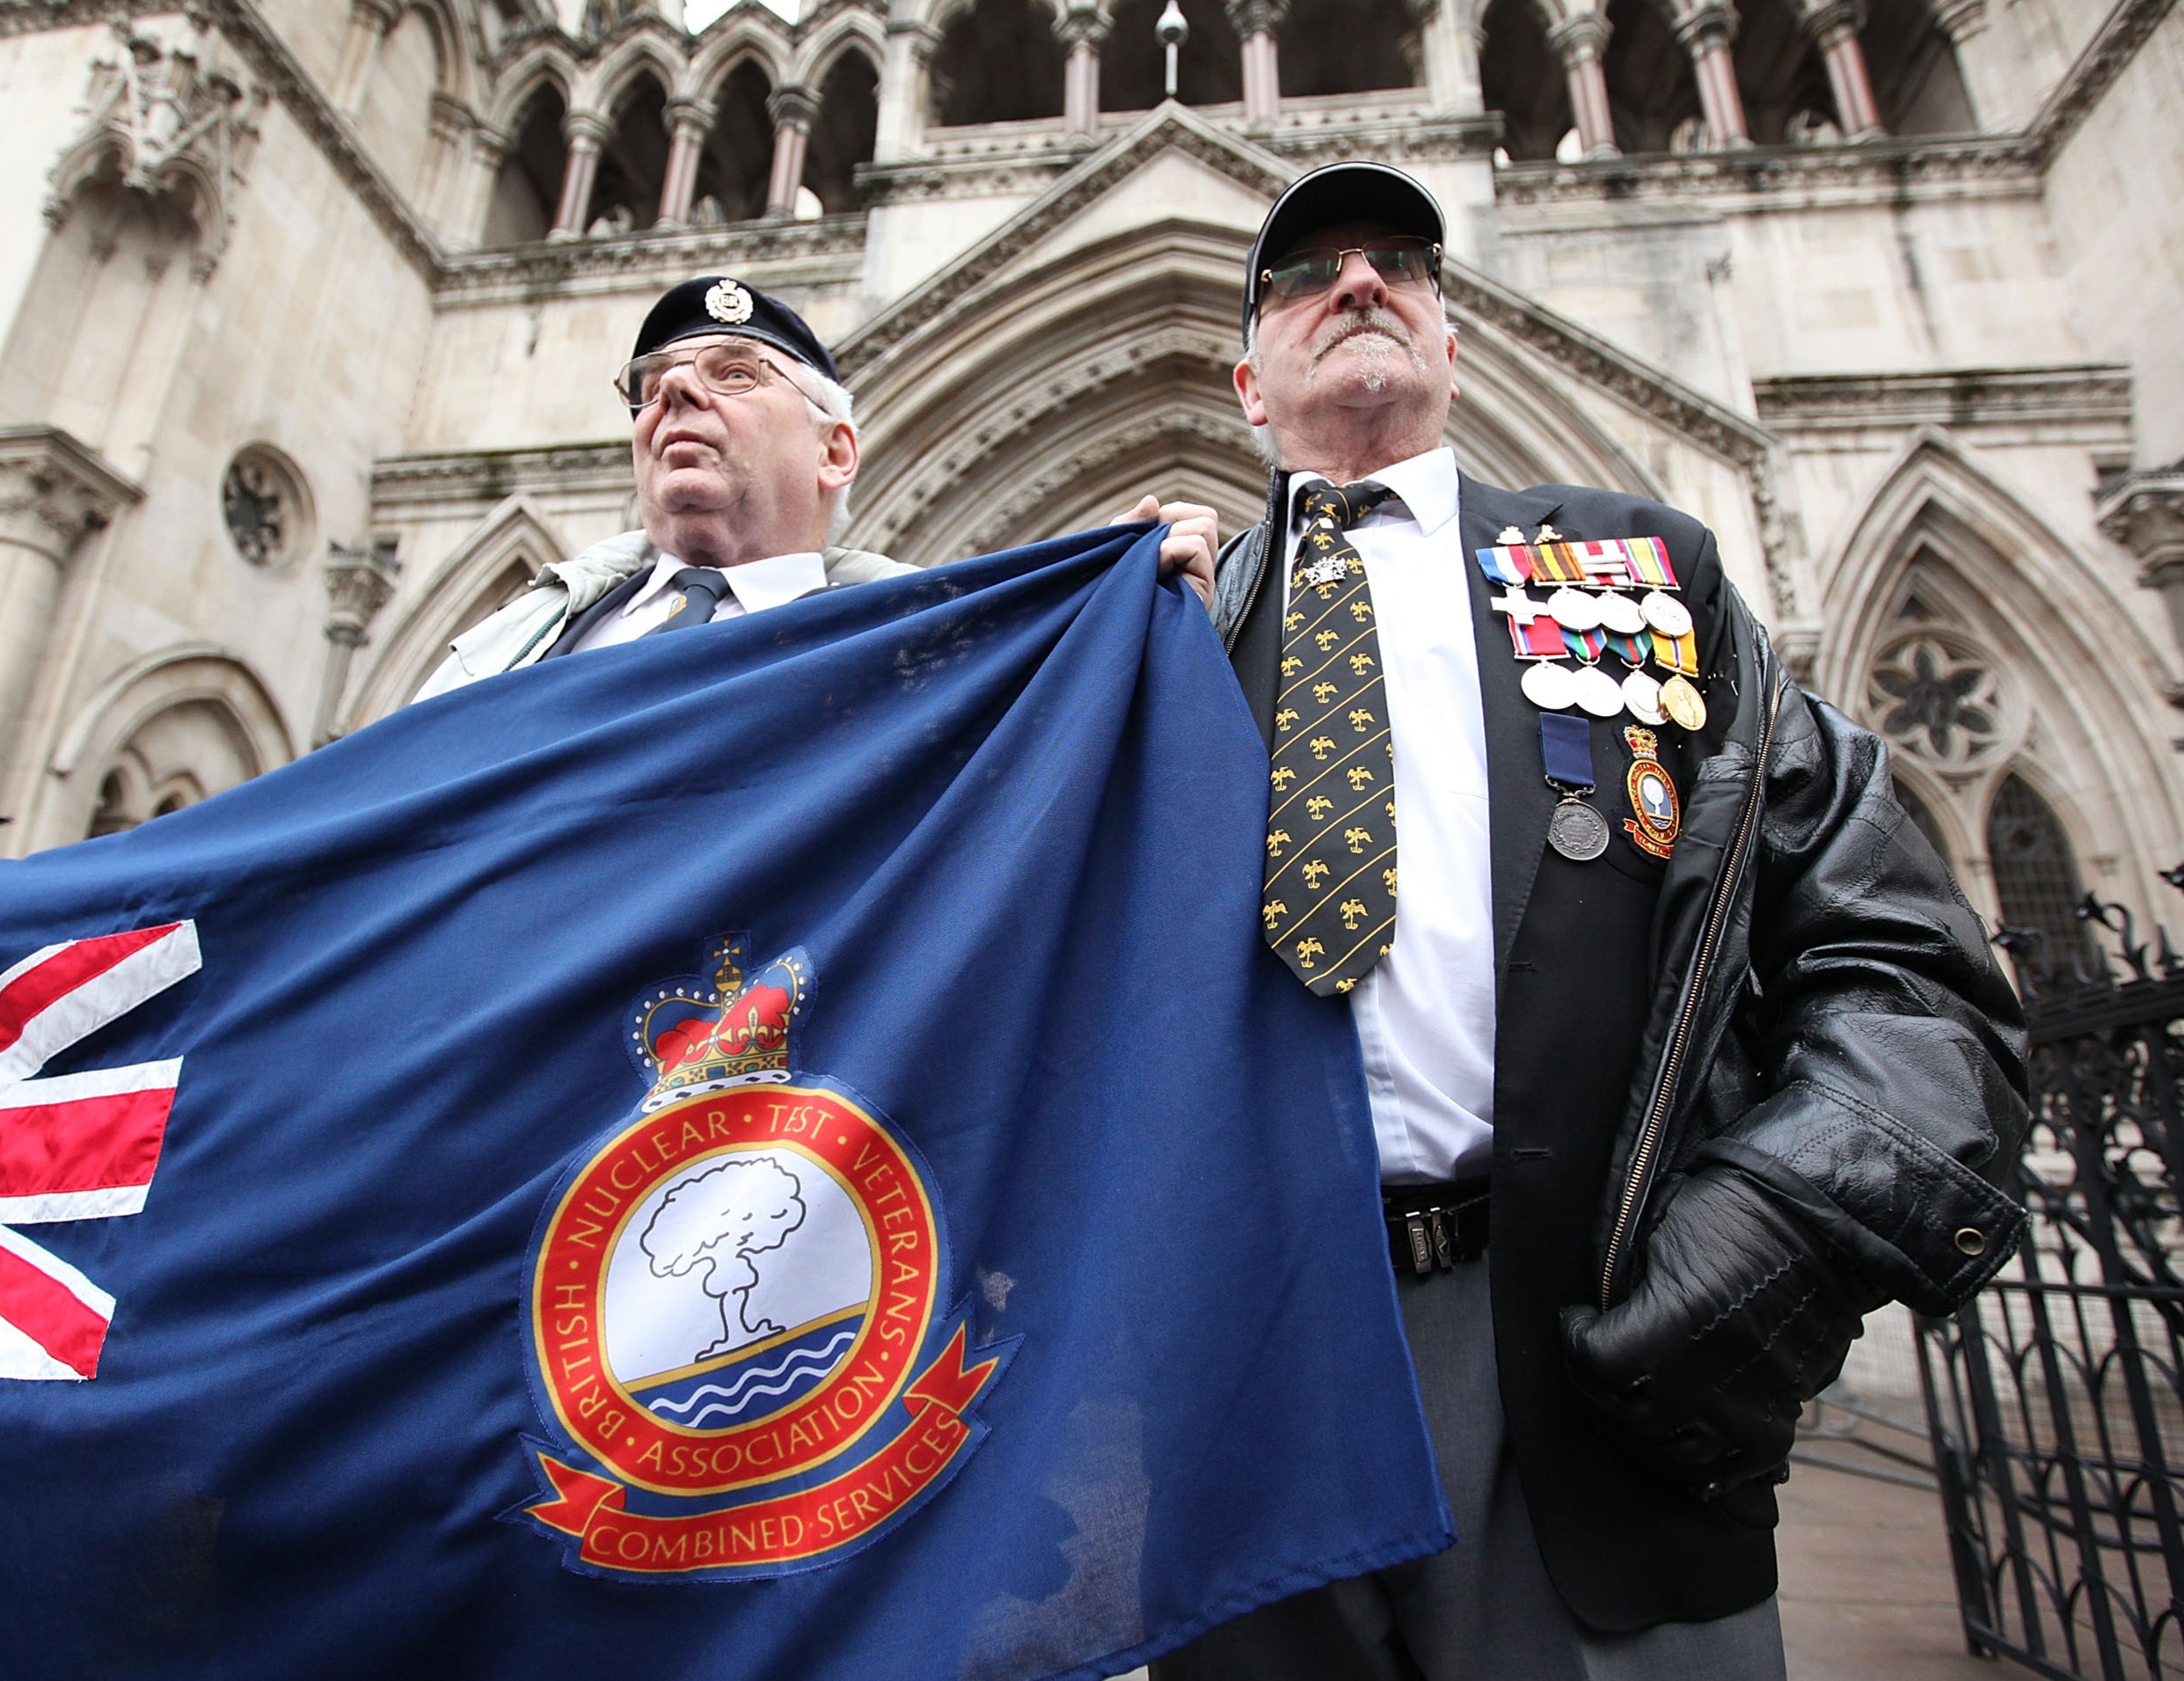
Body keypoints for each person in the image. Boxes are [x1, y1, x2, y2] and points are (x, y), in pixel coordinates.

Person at [1154, 162, 2029, 1679]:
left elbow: (1899, 953)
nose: (1359, 282)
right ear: (1245, 379)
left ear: (1450, 339)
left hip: (1588, 1341)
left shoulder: (1643, 578)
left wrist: (1757, 1243)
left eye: (1401, 265)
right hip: (1248, 1371)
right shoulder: (1159, 624)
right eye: (1305, 274)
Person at [416, 276, 1215, 701]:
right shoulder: (519, 633)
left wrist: (1118, 637)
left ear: (835, 450)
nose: (674, 398)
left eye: (734, 373)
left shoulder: (940, 650)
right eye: (650, 385)